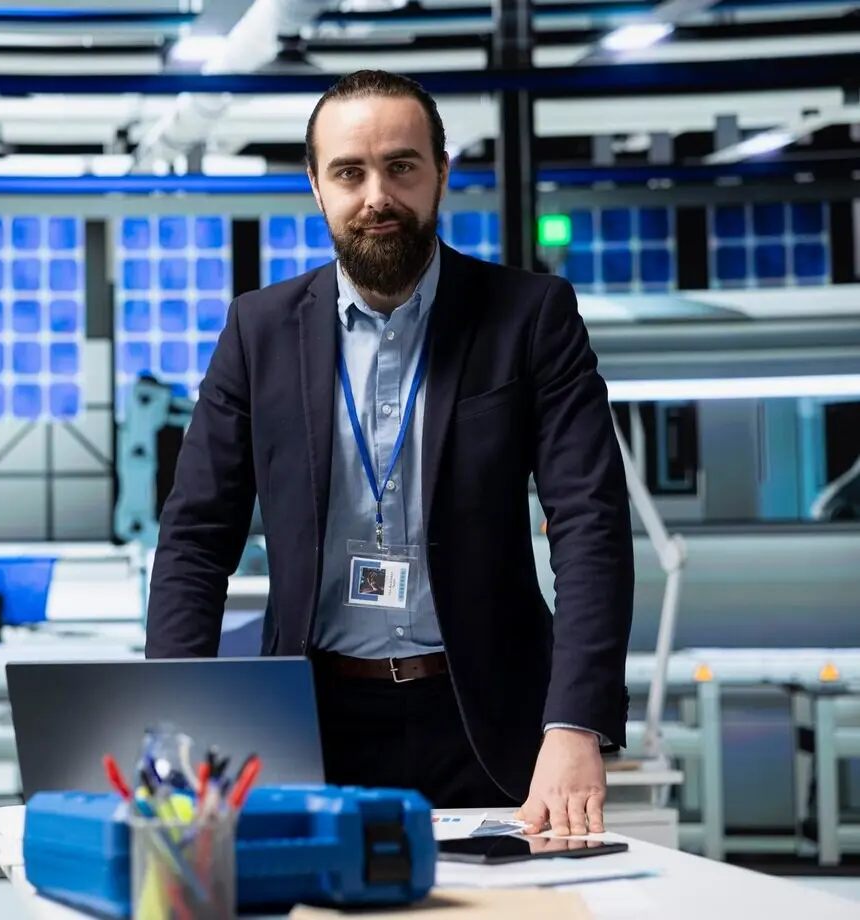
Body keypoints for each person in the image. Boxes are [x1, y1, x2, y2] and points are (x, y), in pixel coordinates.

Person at [144, 70, 634, 838]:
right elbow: (196, 538)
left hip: (491, 722)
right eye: (350, 172)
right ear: (316, 185)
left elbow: (590, 523)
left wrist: (574, 722)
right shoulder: (258, 332)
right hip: (310, 725)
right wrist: (172, 718)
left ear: (441, 172)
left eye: (401, 166)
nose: (378, 195)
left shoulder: (529, 317)